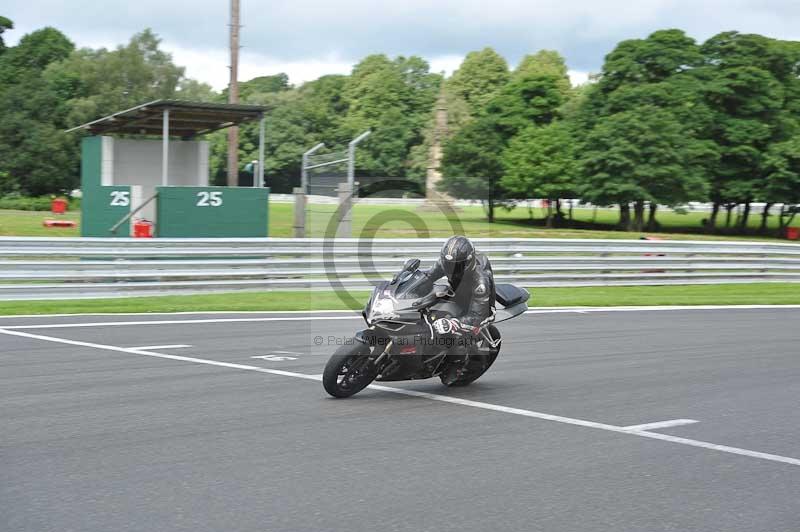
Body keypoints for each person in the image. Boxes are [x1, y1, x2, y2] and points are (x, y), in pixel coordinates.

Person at [425, 235, 496, 383]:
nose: (451, 269)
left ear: (468, 263)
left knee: (454, 333)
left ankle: (458, 365)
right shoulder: (446, 262)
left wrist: (453, 324)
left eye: (456, 266)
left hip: (480, 308)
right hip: (458, 293)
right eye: (449, 265)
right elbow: (427, 276)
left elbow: (477, 315)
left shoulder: (480, 282)